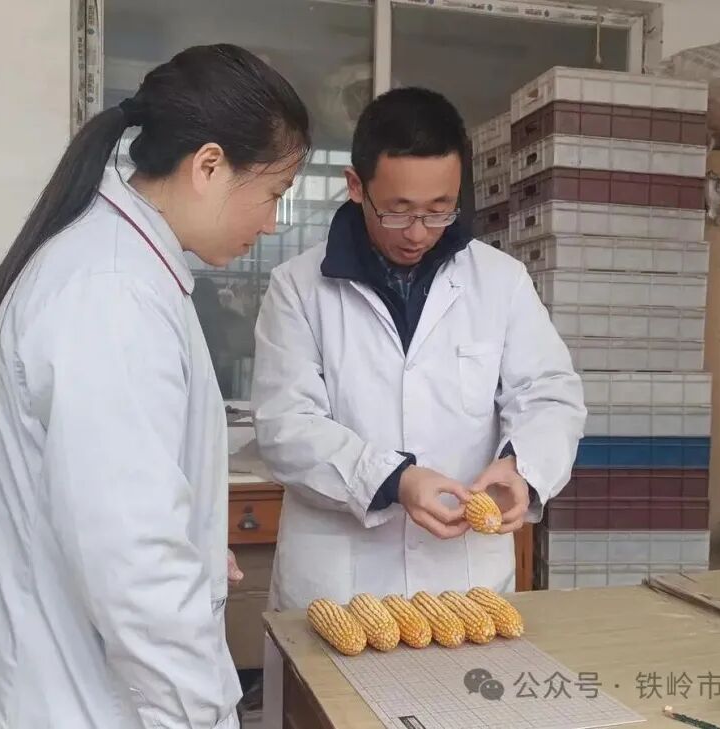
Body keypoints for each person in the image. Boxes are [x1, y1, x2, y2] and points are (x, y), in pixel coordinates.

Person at [0, 44, 310, 729]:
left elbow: (114, 503)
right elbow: (134, 562)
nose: (273, 221)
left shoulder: (120, 267)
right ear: (209, 166)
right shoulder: (112, 292)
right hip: (59, 698)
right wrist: (204, 713)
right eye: (274, 193)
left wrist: (191, 540)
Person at [250, 87, 586, 724]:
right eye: (399, 210)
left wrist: (521, 465)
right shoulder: (298, 289)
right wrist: (395, 481)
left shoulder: (500, 281)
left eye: (439, 210)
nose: (419, 233)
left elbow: (550, 393)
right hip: (342, 590)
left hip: (462, 590)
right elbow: (285, 426)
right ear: (356, 186)